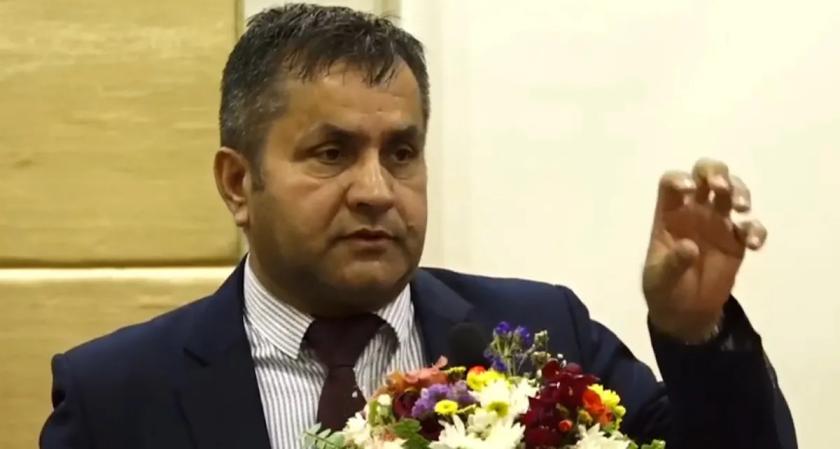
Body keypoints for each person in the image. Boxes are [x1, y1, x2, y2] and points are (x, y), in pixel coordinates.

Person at [39, 4, 796, 449]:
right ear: (239, 183)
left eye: (401, 153)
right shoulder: (117, 396)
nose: (376, 191)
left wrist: (696, 333)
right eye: (332, 153)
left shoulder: (540, 335)